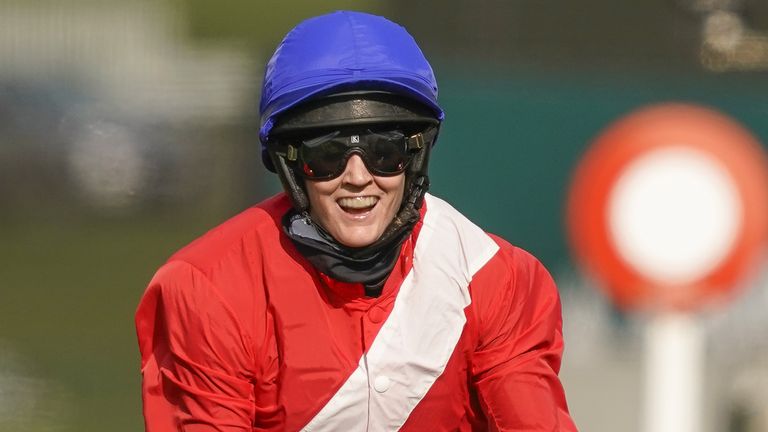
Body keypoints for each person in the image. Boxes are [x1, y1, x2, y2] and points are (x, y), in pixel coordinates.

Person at [135, 10, 577, 432]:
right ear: (288, 163)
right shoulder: (207, 289)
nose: (358, 177)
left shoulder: (496, 278)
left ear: (415, 154)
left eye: (385, 151)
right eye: (326, 157)